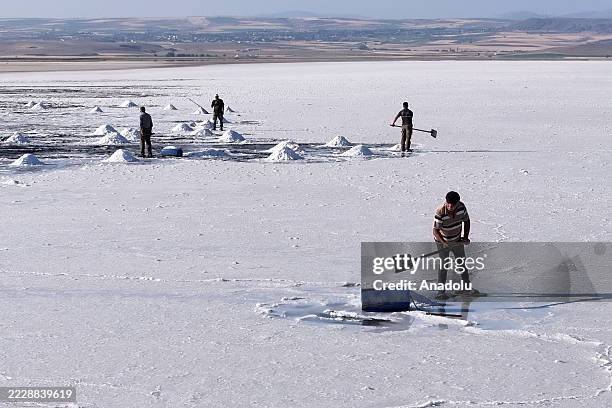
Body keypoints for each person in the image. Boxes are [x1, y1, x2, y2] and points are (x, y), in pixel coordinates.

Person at [432, 191, 478, 300]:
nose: (450, 206)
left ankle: (466, 288)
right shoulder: (440, 211)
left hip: (457, 240)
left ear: (457, 203)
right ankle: (440, 292)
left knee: (461, 262)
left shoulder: (461, 207)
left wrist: (465, 237)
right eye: (448, 203)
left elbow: (466, 221)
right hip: (442, 242)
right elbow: (435, 231)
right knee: (444, 265)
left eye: (453, 204)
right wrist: (444, 243)